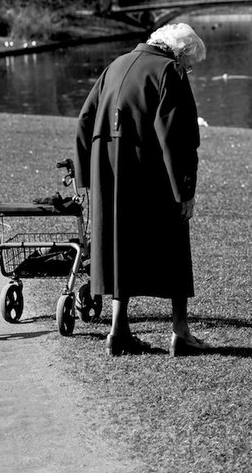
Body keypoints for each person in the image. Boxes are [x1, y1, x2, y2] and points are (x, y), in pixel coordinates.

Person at [75, 22, 211, 357]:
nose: (188, 70)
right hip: (151, 170)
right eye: (190, 64)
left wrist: (85, 178)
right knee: (175, 243)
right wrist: (185, 191)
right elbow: (177, 137)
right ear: (179, 54)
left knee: (121, 245)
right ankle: (180, 331)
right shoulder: (169, 72)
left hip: (109, 171)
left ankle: (118, 329)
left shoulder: (116, 65)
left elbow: (85, 118)